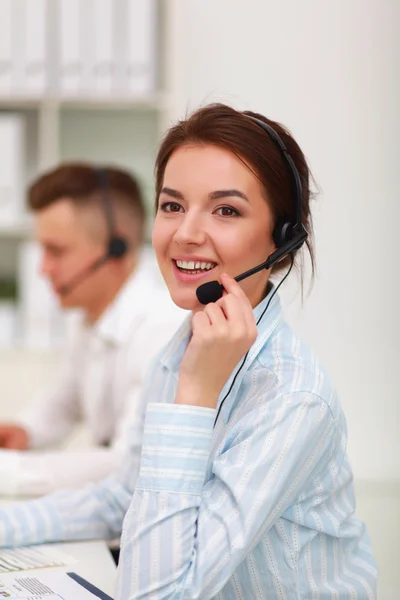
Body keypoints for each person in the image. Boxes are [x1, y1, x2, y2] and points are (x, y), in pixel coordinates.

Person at [0, 105, 377, 598]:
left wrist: (195, 393)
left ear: (282, 239)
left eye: (226, 210)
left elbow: (154, 593)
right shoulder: (180, 347)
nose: (184, 234)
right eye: (172, 205)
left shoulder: (290, 398)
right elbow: (123, 496)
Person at [0, 162, 186, 496]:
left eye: (55, 251)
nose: (43, 269)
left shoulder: (162, 329)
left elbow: (126, 464)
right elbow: (64, 402)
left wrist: (10, 472)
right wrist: (24, 432)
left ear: (117, 250)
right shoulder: (90, 320)